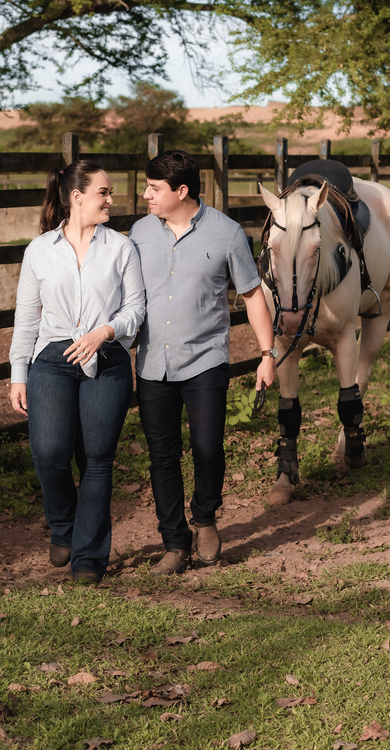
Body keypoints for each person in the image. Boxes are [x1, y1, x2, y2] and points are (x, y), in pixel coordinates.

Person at [129, 150, 277, 575]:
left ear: (181, 191)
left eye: (153, 188)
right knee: (162, 455)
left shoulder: (227, 233)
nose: (145, 195)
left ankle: (206, 518)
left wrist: (267, 355)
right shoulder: (139, 233)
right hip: (153, 362)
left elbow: (252, 296)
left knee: (208, 448)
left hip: (206, 361)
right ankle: (174, 542)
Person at [8, 160, 146, 586]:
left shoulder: (121, 248)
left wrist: (106, 330)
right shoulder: (39, 250)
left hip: (107, 361)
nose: (111, 199)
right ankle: (63, 525)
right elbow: (27, 318)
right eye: (104, 191)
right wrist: (18, 373)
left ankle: (89, 556)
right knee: (49, 453)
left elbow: (136, 310)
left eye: (111, 192)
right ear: (77, 197)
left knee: (97, 459)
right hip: (51, 359)